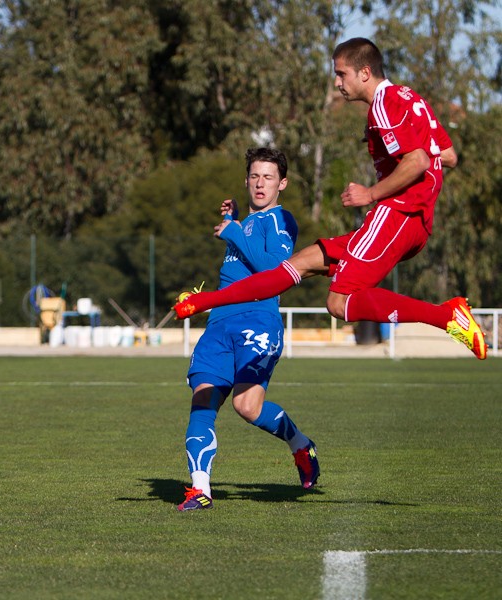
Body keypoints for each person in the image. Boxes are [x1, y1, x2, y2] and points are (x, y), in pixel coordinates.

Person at [174, 38, 487, 360]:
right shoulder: (409, 97)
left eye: (341, 74)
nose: (337, 83)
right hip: (411, 218)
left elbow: (418, 160)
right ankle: (203, 301)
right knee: (301, 262)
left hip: (399, 213)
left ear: (365, 73)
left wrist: (371, 193)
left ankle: (446, 316)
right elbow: (448, 156)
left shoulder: (384, 102)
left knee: (338, 302)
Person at [177, 147, 319, 512]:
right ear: (246, 180)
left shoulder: (281, 219)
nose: (260, 183)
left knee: (246, 406)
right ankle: (200, 489)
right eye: (255, 176)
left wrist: (235, 231)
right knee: (203, 400)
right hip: (219, 323)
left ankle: (301, 445)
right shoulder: (246, 223)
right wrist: (235, 221)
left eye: (268, 177)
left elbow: (276, 270)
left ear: (282, 183)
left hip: (258, 321)